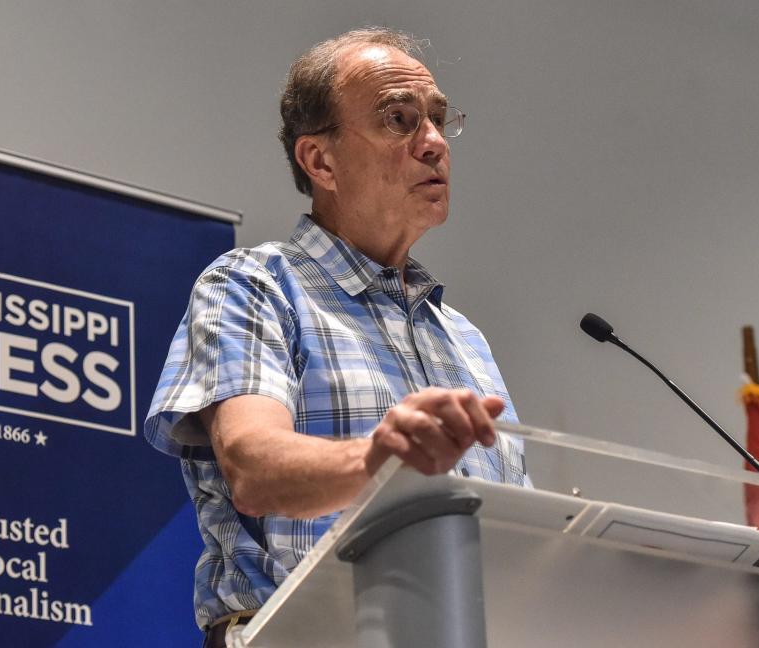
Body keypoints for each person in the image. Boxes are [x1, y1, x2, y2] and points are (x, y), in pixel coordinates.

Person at [145, 27, 527, 648]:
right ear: (320, 161)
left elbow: (512, 540)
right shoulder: (255, 286)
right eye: (398, 120)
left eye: (437, 118)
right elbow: (254, 467)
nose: (432, 143)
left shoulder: (464, 340)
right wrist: (379, 458)